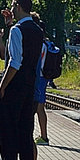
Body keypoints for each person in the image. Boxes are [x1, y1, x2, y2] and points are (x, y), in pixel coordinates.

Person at [0, 0, 43, 160]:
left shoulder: (17, 31)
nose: (11, 8)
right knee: (25, 135)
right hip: (29, 88)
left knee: (8, 136)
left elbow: (14, 62)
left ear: (19, 6)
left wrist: (3, 87)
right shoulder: (38, 31)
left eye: (13, 4)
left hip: (14, 89)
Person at [31, 13, 50, 146]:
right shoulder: (45, 42)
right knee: (39, 107)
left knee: (39, 108)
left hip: (40, 78)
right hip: (43, 77)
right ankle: (43, 135)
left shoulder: (40, 44)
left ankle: (44, 137)